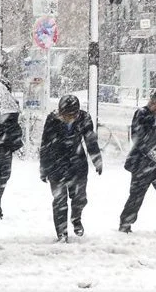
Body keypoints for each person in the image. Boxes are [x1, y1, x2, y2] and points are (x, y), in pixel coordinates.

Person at [40, 95, 103, 242]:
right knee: (59, 200)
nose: (67, 118)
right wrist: (43, 168)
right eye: (65, 115)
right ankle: (62, 233)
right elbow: (45, 145)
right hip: (56, 164)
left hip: (77, 164)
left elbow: (91, 141)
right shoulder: (52, 119)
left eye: (71, 115)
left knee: (79, 198)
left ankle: (76, 218)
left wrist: (97, 160)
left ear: (77, 113)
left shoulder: (84, 118)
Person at [119, 89, 156, 236]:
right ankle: (125, 225)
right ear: (155, 103)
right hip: (142, 163)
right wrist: (152, 152)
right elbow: (137, 137)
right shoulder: (142, 114)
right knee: (136, 196)